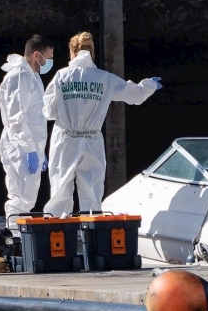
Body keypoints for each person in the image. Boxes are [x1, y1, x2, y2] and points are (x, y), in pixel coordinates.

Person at [42, 32, 162, 217]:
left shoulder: (62, 76)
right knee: (91, 192)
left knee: (60, 191)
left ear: (72, 52)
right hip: (92, 140)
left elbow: (49, 112)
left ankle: (57, 237)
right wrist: (149, 86)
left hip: (66, 139)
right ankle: (92, 237)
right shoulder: (104, 78)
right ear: (92, 53)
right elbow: (134, 95)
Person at [0, 34, 55, 232]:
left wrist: (40, 150)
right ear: (36, 54)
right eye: (47, 57)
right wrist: (32, 149)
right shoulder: (20, 77)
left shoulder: (32, 76)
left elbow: (35, 116)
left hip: (30, 146)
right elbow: (16, 118)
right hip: (20, 146)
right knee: (20, 197)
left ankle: (20, 238)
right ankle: (14, 238)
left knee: (28, 196)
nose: (49, 62)